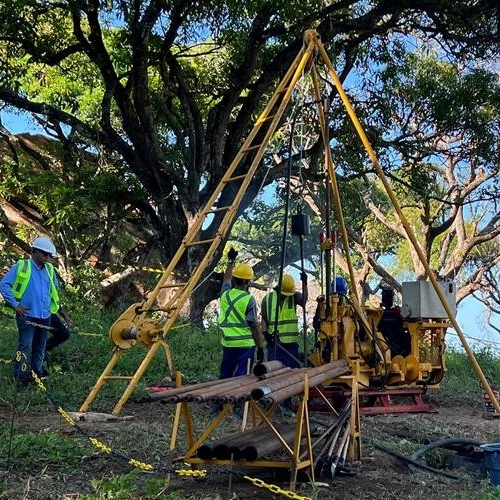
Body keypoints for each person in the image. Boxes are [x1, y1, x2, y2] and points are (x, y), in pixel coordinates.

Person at [0, 236, 60, 387]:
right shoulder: (22, 266)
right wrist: (15, 305)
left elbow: (55, 288)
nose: (47, 258)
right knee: (25, 346)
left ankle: (36, 375)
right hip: (27, 316)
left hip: (44, 315)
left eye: (49, 255)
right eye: (45, 254)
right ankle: (19, 377)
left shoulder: (50, 270)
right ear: (34, 252)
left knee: (40, 347)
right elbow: (4, 285)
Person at [217, 248, 264, 380]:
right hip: (245, 346)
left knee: (225, 376)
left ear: (235, 279)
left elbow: (226, 279)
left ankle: (222, 399)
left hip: (228, 344)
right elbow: (254, 325)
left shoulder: (225, 294)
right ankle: (239, 400)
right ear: (248, 282)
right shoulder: (249, 300)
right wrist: (260, 347)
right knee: (243, 378)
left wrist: (230, 261)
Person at [261, 272, 308, 369]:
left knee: (292, 373)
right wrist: (266, 334)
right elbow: (264, 319)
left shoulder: (294, 296)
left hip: (291, 345)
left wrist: (305, 283)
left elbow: (303, 301)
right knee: (273, 371)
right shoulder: (268, 299)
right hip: (274, 344)